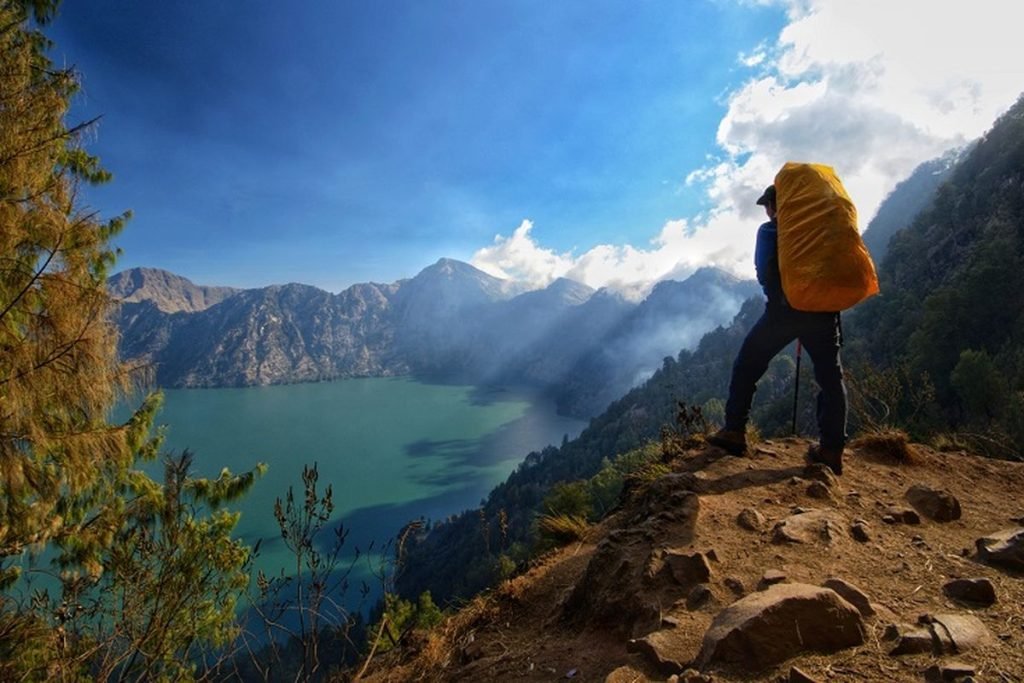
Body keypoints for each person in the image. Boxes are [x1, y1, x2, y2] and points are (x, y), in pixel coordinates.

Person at [707, 185, 847, 474]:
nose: (767, 211)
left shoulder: (770, 232)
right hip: (823, 314)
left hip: (782, 314)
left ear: (776, 205)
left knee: (747, 364)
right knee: (831, 378)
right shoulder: (824, 231)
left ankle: (734, 431)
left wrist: (784, 295)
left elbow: (762, 271)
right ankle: (832, 450)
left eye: (768, 205)